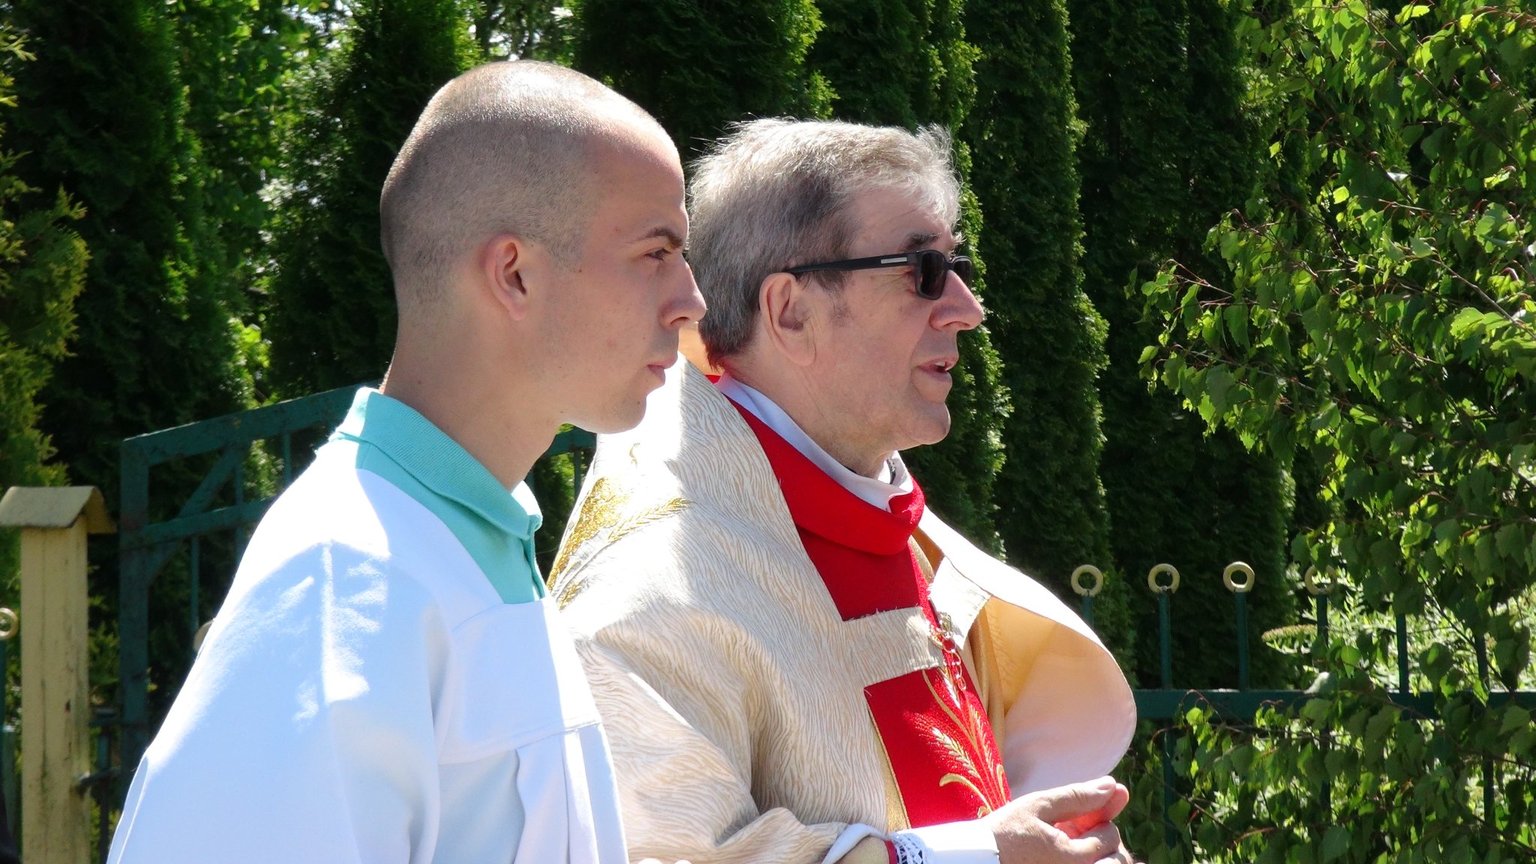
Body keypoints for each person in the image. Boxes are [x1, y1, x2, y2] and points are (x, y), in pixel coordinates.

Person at [107, 60, 705, 864]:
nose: (692, 300)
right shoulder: (345, 584)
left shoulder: (456, 543)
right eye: (657, 252)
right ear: (514, 274)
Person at [552, 118, 1138, 864]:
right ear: (790, 311)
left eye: (957, 266)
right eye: (923, 271)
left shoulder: (880, 515)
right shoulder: (647, 597)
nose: (967, 308)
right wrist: (978, 857)